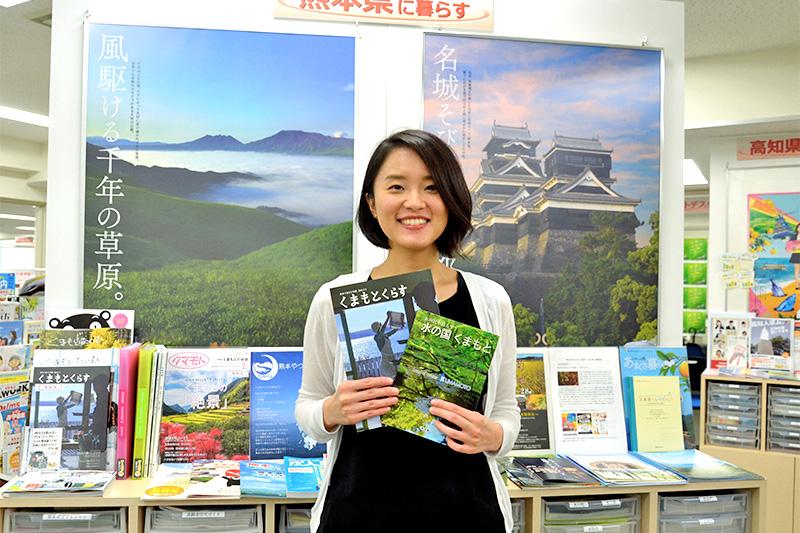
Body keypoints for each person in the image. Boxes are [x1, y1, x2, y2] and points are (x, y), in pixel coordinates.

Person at [295, 129, 520, 533]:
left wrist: (493, 436)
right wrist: (331, 412)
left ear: (451, 201)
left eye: (432, 188)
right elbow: (307, 408)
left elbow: (505, 411)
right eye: (397, 186)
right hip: (357, 515)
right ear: (372, 201)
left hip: (469, 515)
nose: (414, 202)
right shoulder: (335, 297)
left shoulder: (490, 299)